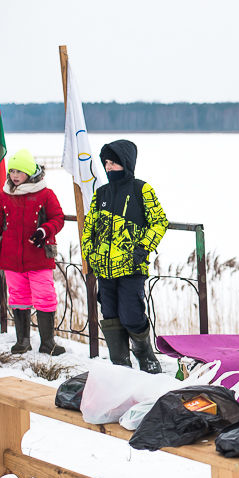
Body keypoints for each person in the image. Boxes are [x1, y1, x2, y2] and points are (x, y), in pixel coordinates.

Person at [82, 139, 167, 373]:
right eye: (106, 163)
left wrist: (141, 250)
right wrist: (91, 253)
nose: (109, 167)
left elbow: (159, 222)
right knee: (109, 314)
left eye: (114, 163)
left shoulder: (141, 189)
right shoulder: (101, 194)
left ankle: (145, 355)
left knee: (131, 313)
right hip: (104, 268)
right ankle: (119, 363)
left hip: (132, 267)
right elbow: (89, 227)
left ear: (127, 163)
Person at [0, 149, 66, 355]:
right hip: (11, 258)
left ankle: (48, 342)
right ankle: (22, 341)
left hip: (39, 257)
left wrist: (44, 231)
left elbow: (58, 218)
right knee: (18, 297)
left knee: (45, 296)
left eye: (19, 171)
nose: (14, 175)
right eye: (11, 171)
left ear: (30, 172)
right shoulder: (4, 196)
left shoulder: (45, 194)